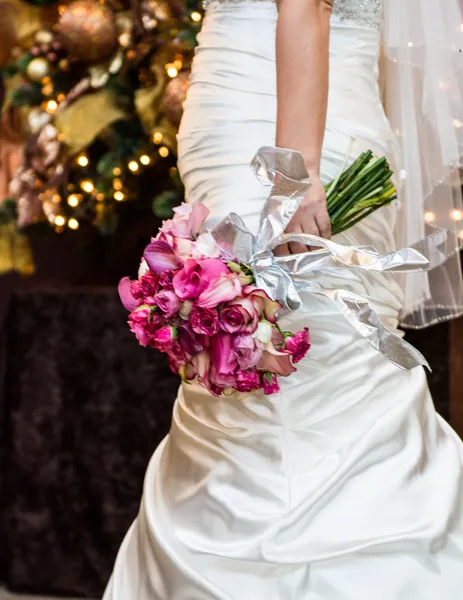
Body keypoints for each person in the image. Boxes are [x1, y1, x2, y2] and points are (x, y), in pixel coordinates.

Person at [103, 1, 463, 598]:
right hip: (308, 96)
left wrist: (296, 175)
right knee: (277, 351)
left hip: (275, 125)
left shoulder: (290, 166)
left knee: (279, 348)